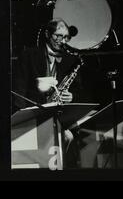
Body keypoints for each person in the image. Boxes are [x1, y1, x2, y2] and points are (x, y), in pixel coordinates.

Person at [12, 18, 84, 168]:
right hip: (34, 115)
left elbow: (81, 92)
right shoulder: (28, 55)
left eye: (66, 37)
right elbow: (19, 90)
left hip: (59, 116)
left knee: (70, 137)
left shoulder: (71, 60)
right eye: (58, 36)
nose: (62, 41)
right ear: (47, 34)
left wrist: (72, 97)